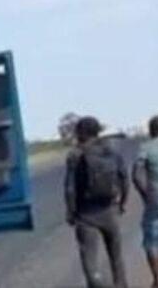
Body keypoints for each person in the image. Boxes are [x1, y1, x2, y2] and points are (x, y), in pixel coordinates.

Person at [64, 116, 129, 288]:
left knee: (90, 261)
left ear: (81, 133)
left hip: (86, 215)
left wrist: (71, 212)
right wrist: (122, 202)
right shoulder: (111, 152)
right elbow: (124, 178)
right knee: (116, 258)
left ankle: (98, 284)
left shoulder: (75, 155)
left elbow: (70, 188)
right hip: (110, 211)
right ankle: (120, 284)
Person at [133, 115, 158, 288]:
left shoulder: (145, 148)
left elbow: (136, 175)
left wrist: (146, 196)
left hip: (157, 199)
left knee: (152, 242)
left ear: (151, 131)